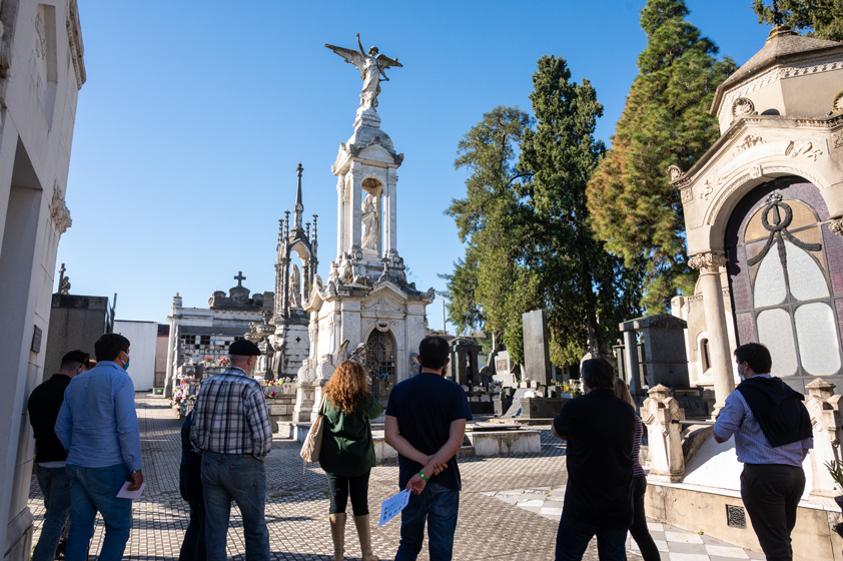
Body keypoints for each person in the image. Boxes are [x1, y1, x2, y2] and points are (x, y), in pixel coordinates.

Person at [713, 343, 813, 561]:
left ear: (745, 366)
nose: (738, 367)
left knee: (775, 547)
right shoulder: (790, 394)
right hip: (796, 475)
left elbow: (720, 435)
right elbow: (806, 442)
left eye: (738, 363)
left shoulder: (741, 395)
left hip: (763, 476)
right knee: (782, 540)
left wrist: (721, 416)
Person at [55, 333, 142, 561]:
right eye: (128, 354)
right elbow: (127, 428)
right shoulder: (121, 379)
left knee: (80, 529)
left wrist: (76, 450)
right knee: (118, 528)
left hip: (77, 464)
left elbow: (61, 427)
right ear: (122, 355)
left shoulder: (77, 381)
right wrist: (135, 467)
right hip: (108, 466)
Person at [385, 336, 472, 561]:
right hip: (444, 479)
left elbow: (391, 436)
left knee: (409, 544)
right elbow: (455, 440)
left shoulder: (400, 391)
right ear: (446, 362)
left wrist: (423, 462)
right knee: (441, 549)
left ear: (419, 359)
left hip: (410, 481)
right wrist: (430, 466)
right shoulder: (454, 392)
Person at [190, 339, 272, 561]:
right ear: (250, 360)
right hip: (244, 464)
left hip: (210, 462)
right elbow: (263, 435)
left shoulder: (208, 384)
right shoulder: (250, 387)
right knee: (254, 527)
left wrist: (203, 450)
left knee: (215, 530)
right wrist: (257, 457)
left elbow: (195, 426)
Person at [552, 358, 635, 561]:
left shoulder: (576, 407)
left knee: (567, 555)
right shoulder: (626, 411)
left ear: (586, 381)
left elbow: (556, 430)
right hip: (618, 499)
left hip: (582, 501)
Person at [27, 350, 89, 561]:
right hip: (65, 463)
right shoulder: (73, 393)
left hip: (42, 463)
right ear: (79, 368)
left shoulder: (38, 391)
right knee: (56, 519)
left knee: (53, 513)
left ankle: (55, 551)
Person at [319, 360, 384, 561]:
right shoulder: (363, 398)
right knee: (360, 502)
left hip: (334, 457)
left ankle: (338, 555)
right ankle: (367, 554)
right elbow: (377, 411)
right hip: (359, 458)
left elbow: (321, 417)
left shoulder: (328, 397)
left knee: (336, 502)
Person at [613, 378, 659, 561]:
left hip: (624, 479)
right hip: (638, 475)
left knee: (617, 534)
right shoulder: (635, 418)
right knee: (641, 531)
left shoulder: (617, 420)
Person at [178, 410, 205, 561]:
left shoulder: (192, 416)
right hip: (198, 479)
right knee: (202, 525)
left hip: (188, 477)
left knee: (196, 521)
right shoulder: (199, 418)